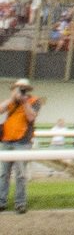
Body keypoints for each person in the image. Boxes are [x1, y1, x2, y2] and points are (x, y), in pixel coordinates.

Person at [2, 78, 41, 213]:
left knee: (21, 174)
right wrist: (12, 99)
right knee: (3, 174)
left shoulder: (34, 101)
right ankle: (2, 201)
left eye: (23, 88)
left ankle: (20, 203)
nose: (20, 91)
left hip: (23, 142)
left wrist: (24, 102)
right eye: (18, 88)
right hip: (7, 141)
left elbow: (31, 117)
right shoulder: (11, 102)